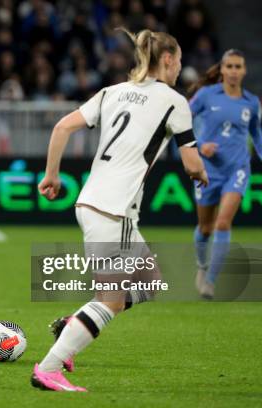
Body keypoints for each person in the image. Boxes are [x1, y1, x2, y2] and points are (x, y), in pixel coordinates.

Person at [31, 29, 208, 392]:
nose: (179, 69)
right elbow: (191, 164)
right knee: (110, 300)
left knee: (150, 281)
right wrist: (203, 171)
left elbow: (63, 126)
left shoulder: (111, 92)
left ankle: (74, 323)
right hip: (115, 211)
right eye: (179, 61)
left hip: (90, 201)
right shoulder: (174, 100)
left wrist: (52, 175)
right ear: (169, 59)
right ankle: (48, 369)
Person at [189, 49, 262, 299]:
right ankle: (201, 265)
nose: (234, 71)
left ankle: (210, 282)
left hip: (237, 168)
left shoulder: (251, 101)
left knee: (222, 222)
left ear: (244, 70)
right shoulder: (206, 95)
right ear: (222, 70)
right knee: (205, 228)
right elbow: (182, 119)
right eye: (229, 66)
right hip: (207, 169)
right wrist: (199, 145)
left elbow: (256, 133)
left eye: (238, 67)